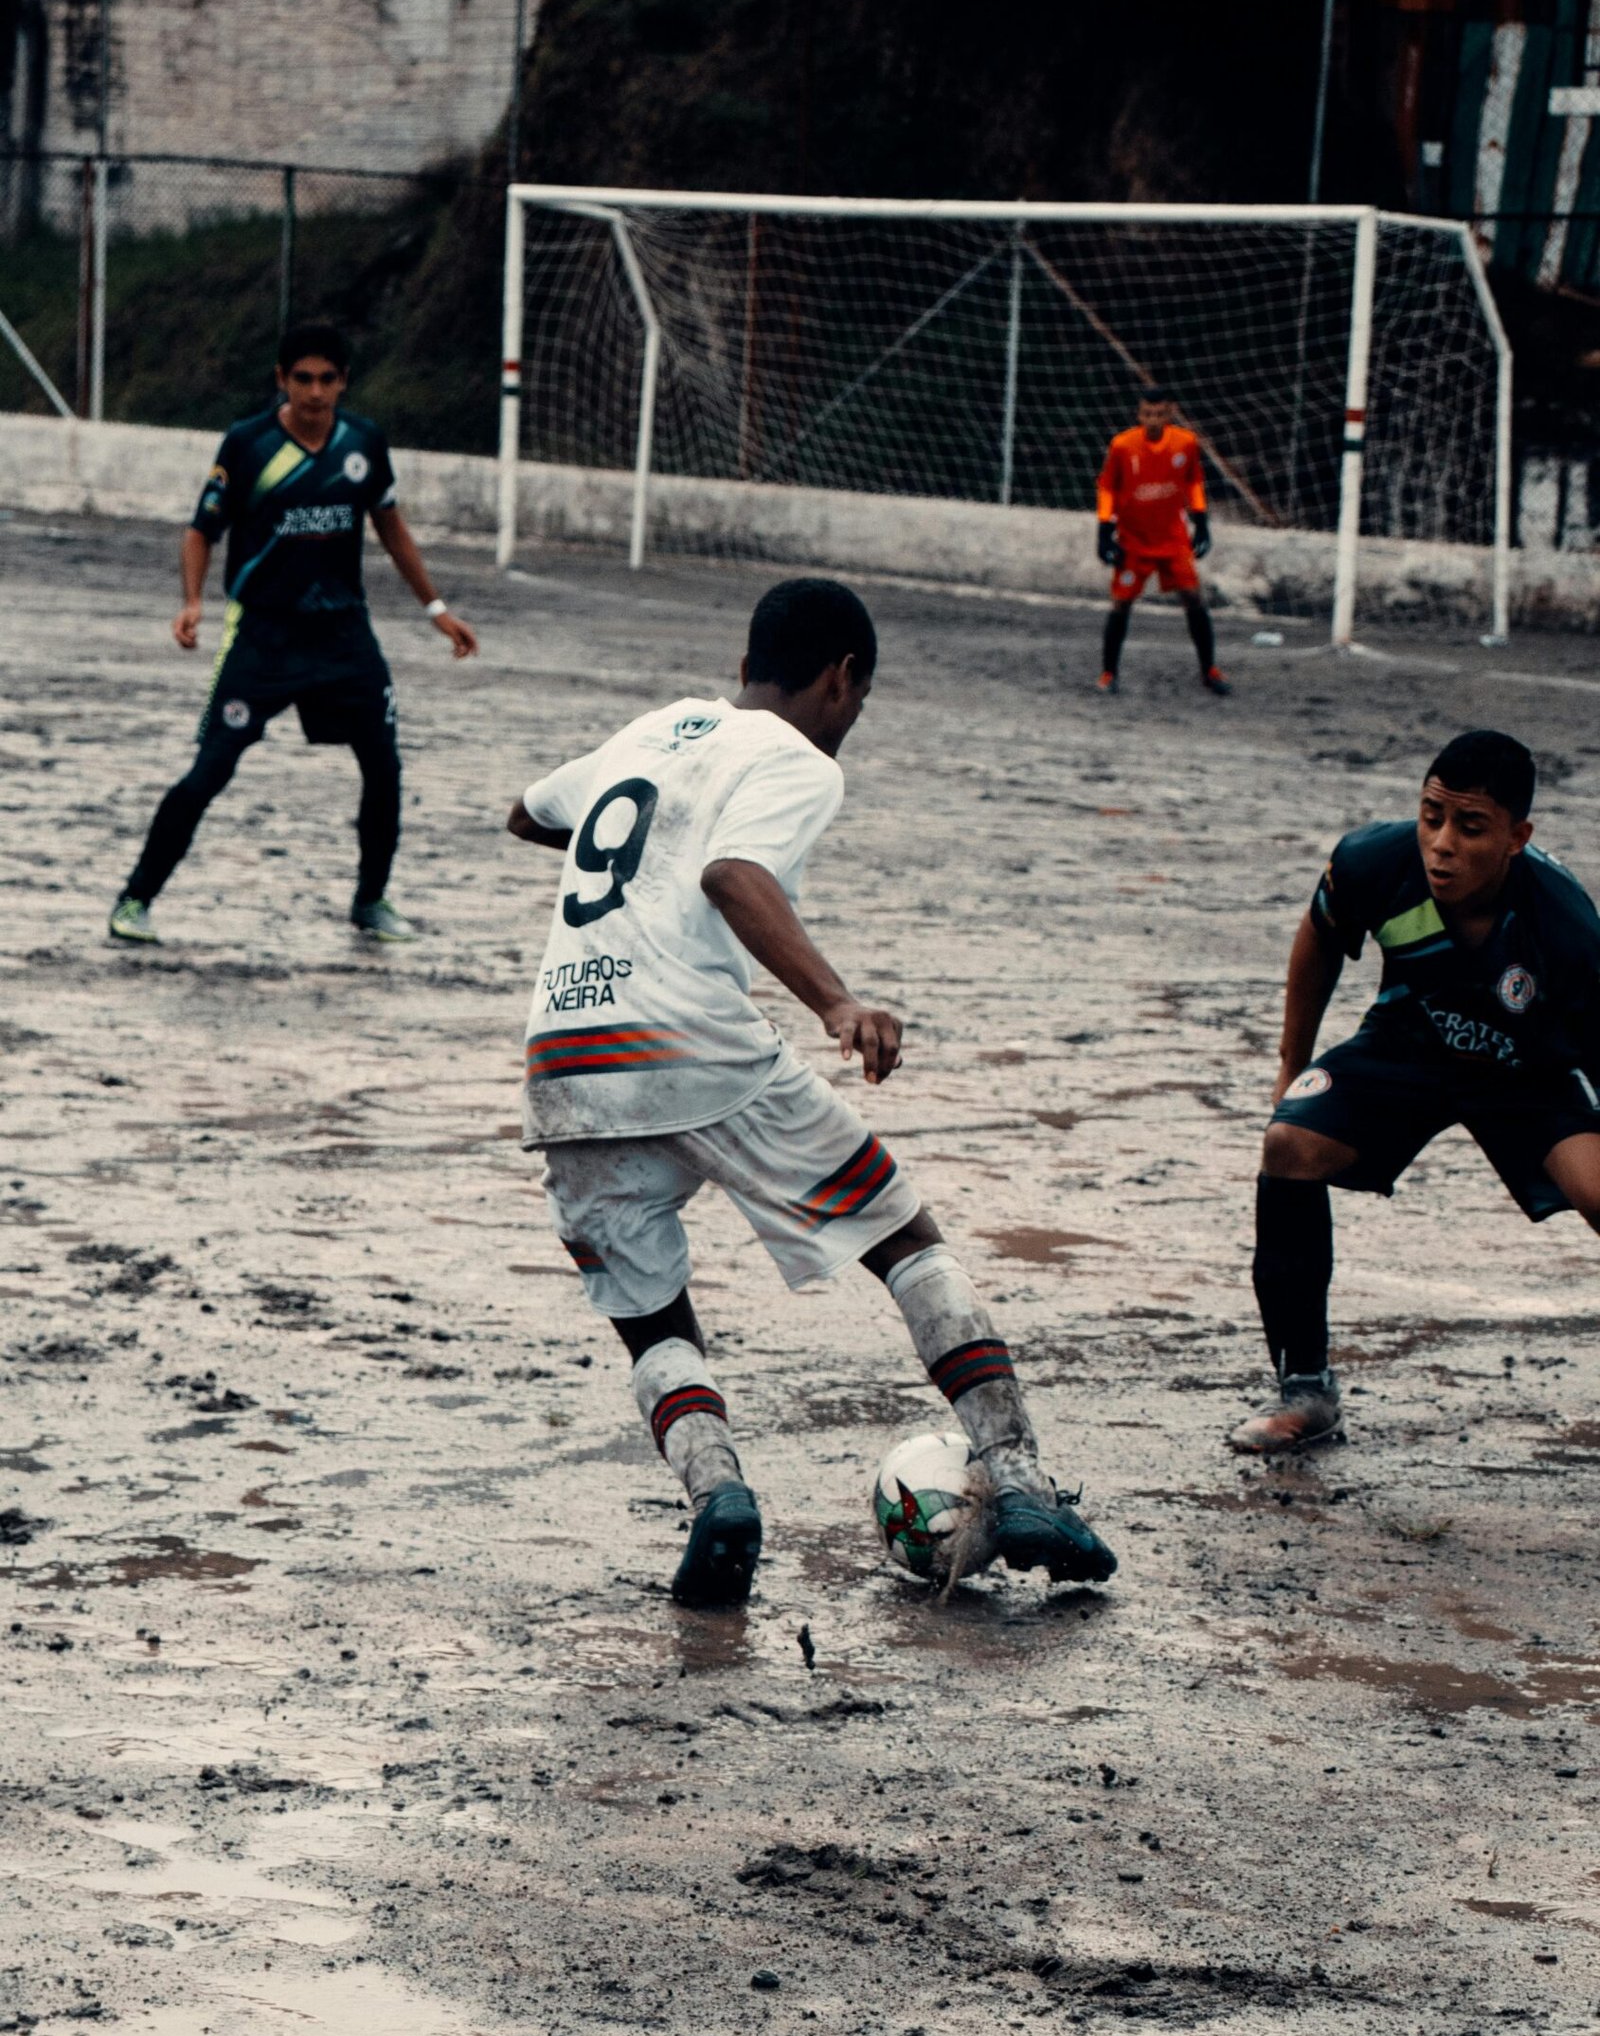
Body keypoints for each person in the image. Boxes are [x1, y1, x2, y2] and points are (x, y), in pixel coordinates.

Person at [507, 577, 1117, 1606]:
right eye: (858, 705)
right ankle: (1017, 1479)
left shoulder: (649, 732)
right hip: (689, 1041)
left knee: (653, 1320)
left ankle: (719, 1502)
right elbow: (735, 875)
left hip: (563, 1055)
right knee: (900, 1234)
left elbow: (527, 814)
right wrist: (836, 1003)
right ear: (842, 678)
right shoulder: (792, 757)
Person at [1235, 729, 1600, 1453]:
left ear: (1516, 837)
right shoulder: (1373, 861)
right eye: (1432, 814)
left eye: (1470, 827)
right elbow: (1317, 939)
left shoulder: (1567, 929)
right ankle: (1306, 1392)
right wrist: (1290, 1065)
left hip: (1527, 1073)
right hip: (1411, 1044)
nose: (1441, 843)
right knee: (1288, 1144)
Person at [108, 321, 478, 947]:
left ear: (343, 383)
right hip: (264, 638)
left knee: (384, 767)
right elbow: (201, 530)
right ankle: (135, 898)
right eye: (302, 379)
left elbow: (391, 527)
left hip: (343, 637)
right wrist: (193, 601)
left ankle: (371, 901)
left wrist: (435, 607)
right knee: (209, 771)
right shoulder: (248, 445)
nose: (314, 392)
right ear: (281, 380)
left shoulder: (363, 442)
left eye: (327, 379)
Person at [1095, 387, 1229, 698]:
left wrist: (1202, 523)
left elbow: (1193, 481)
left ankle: (1209, 670)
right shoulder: (1122, 445)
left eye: (1159, 414)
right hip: (1134, 539)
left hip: (1173, 539)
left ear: (1170, 414)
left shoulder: (1186, 443)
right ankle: (1108, 673)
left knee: (1193, 597)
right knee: (1121, 603)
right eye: (1146, 414)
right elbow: (1107, 488)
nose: (1152, 420)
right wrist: (1104, 530)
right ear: (1139, 415)